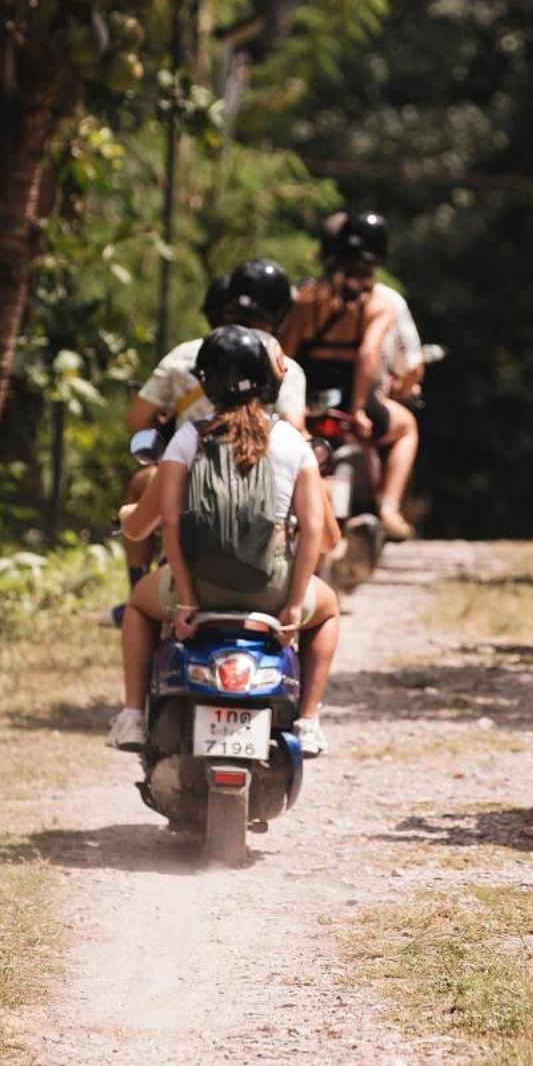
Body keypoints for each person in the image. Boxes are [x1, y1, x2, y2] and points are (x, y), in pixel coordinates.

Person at [110, 326, 340, 758]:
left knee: (139, 606)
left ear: (205, 381)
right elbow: (317, 532)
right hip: (270, 593)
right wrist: (292, 605)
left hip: (195, 590)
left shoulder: (188, 437)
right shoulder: (291, 440)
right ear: (268, 380)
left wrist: (189, 597)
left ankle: (133, 717)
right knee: (327, 612)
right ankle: (308, 720)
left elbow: (162, 523)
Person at [119, 259, 307, 587]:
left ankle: (137, 586)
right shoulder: (284, 365)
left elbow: (137, 420)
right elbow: (297, 427)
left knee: (141, 485)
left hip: (179, 482)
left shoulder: (186, 364)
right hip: (269, 575)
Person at [282, 211, 420, 540]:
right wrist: (358, 408)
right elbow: (368, 355)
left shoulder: (306, 299)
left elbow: (287, 352)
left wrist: (288, 403)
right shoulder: (379, 305)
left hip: (308, 399)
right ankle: (388, 507)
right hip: (350, 398)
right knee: (407, 429)